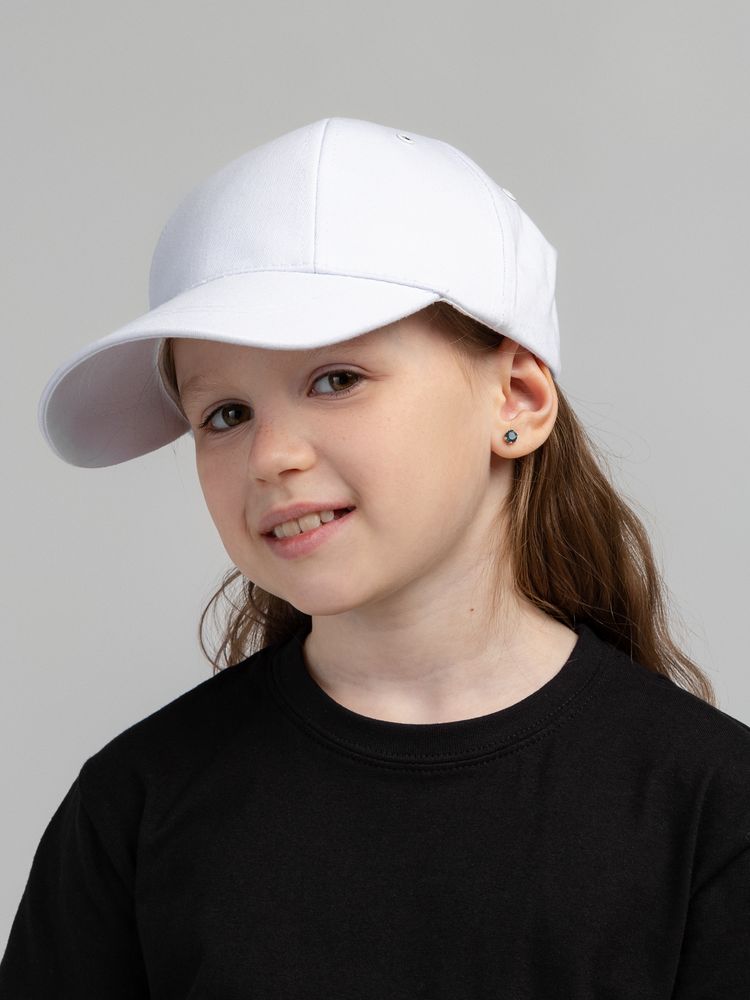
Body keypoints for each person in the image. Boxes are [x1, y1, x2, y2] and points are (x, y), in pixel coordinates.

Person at [2, 116, 748, 998]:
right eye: (226, 414)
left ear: (517, 398)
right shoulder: (135, 807)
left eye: (337, 379)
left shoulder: (710, 809)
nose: (271, 456)